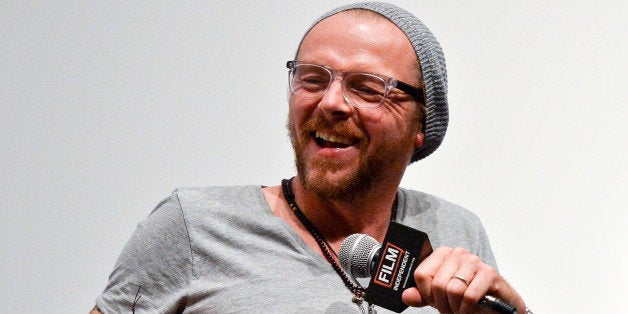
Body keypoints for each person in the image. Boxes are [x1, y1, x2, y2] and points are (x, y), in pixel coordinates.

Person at [92, 2, 528, 313]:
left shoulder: (455, 230)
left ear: (420, 126)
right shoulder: (194, 226)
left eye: (367, 87)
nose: (331, 102)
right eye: (312, 78)